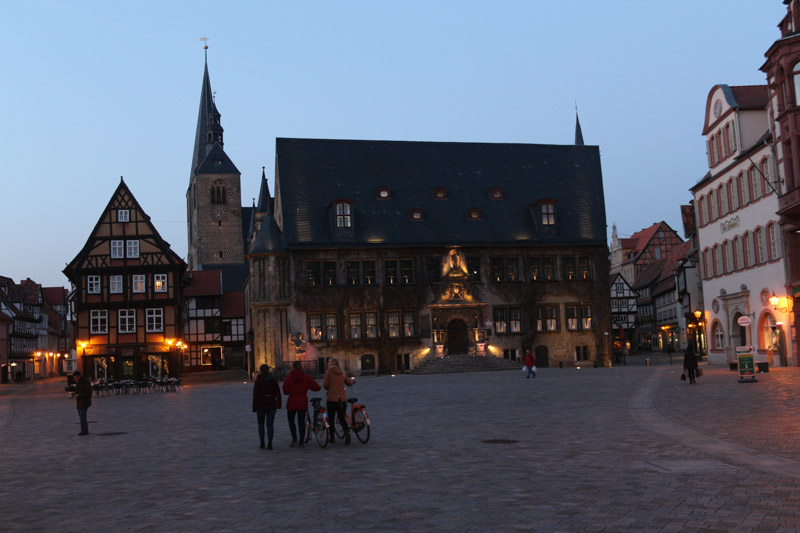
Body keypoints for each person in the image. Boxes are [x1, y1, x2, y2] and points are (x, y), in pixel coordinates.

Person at [282, 360, 321, 448]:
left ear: (293, 367)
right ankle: (301, 442)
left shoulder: (289, 377)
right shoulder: (306, 377)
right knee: (301, 423)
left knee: (291, 421)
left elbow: (285, 391)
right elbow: (317, 387)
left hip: (292, 402)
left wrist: (292, 390)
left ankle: (294, 439)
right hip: (302, 401)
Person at [323, 357, 354, 444]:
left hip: (332, 399)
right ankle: (347, 433)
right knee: (341, 417)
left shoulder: (328, 372)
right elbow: (348, 382)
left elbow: (325, 385)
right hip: (342, 399)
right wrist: (352, 382)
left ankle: (332, 437)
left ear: (331, 364)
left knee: (331, 418)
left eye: (328, 363)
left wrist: (329, 389)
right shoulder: (342, 372)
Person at [252, 364, 281, 449]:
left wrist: (254, 406)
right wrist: (278, 403)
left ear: (261, 371)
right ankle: (270, 443)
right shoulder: (273, 380)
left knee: (261, 424)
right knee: (270, 425)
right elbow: (277, 393)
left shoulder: (259, 380)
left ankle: (262, 442)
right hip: (271, 403)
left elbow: (255, 394)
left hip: (260, 404)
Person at [74, 371, 92, 436]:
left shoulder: (85, 382)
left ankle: (85, 431)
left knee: (82, 416)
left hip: (85, 402)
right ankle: (83, 430)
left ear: (79, 376)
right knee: (81, 416)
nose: (75, 379)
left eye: (75, 377)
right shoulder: (78, 382)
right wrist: (76, 394)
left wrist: (79, 395)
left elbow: (88, 392)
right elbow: (77, 391)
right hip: (80, 402)